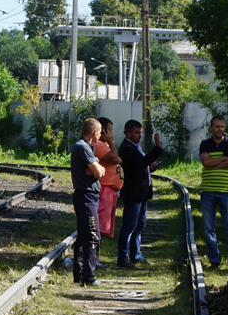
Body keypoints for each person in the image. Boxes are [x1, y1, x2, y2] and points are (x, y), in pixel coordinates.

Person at [117, 119, 163, 267]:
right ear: (128, 133)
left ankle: (135, 255)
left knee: (139, 226)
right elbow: (140, 162)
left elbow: (138, 166)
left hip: (141, 193)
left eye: (141, 133)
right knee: (130, 226)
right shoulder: (127, 148)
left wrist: (150, 168)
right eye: (137, 133)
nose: (140, 136)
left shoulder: (135, 146)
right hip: (133, 193)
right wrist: (157, 147)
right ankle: (123, 257)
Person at [199, 115, 228, 271]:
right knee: (209, 228)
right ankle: (214, 261)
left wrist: (213, 162)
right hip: (208, 191)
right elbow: (205, 163)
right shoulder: (205, 144)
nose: (220, 129)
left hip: (226, 192)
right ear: (211, 128)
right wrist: (224, 159)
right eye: (217, 126)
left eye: (222, 126)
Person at [70, 118, 106, 285]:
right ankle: (89, 277)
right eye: (100, 131)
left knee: (83, 236)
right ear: (94, 132)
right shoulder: (84, 147)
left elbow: (101, 170)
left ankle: (79, 274)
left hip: (86, 196)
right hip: (86, 197)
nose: (101, 134)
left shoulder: (84, 147)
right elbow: (99, 173)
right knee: (93, 236)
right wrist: (97, 169)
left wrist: (98, 168)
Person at [93, 117, 122, 244]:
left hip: (109, 191)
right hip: (104, 190)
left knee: (104, 227)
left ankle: (95, 257)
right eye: (109, 131)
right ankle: (95, 258)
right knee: (99, 227)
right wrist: (112, 142)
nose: (111, 134)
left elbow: (115, 158)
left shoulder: (104, 145)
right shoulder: (98, 144)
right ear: (102, 131)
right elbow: (114, 158)